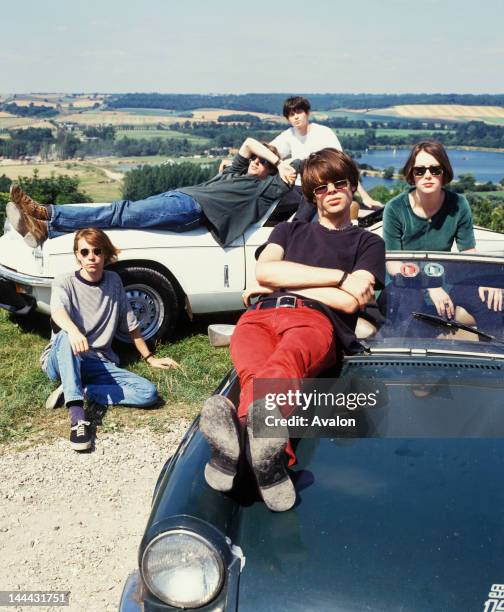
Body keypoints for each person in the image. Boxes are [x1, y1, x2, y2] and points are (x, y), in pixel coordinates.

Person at [199, 148, 385, 512]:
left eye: (340, 183)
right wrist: (337, 277)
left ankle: (237, 446)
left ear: (352, 186)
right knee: (255, 373)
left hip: (314, 320)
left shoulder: (368, 243)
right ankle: (267, 463)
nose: (331, 191)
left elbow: (350, 302)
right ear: (310, 195)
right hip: (258, 318)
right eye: (320, 187)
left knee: (282, 366)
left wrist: (285, 284)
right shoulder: (288, 229)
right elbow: (266, 273)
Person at [6, 137, 298, 249]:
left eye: (263, 163)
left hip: (192, 210)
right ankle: (47, 231)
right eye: (257, 160)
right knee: (119, 223)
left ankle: (46, 212)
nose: (256, 163)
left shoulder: (263, 190)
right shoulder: (237, 172)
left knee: (118, 212)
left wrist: (279, 164)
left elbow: (292, 173)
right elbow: (248, 143)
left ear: (270, 172)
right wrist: (272, 157)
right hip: (179, 197)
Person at [40, 228, 179, 451]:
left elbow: (131, 324)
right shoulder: (64, 282)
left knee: (148, 393)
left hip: (98, 361)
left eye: (97, 251)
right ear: (77, 255)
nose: (91, 257)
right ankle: (78, 418)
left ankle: (83, 390)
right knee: (66, 336)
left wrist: (150, 357)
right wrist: (75, 331)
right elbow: (57, 311)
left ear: (105, 254)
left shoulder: (113, 281)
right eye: (84, 252)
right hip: (62, 357)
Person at [383, 140, 502, 333]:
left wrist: (489, 281)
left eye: (435, 170)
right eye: (420, 171)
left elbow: (469, 254)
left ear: (444, 172)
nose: (427, 175)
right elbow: (393, 265)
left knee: (491, 301)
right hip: (405, 284)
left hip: (446, 280)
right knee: (408, 304)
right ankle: (403, 360)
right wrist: (430, 285)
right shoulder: (396, 208)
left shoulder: (458, 204)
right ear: (412, 175)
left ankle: (494, 357)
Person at [270, 96, 383, 221]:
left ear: (307, 113)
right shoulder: (289, 135)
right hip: (296, 187)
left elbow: (343, 166)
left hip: (319, 187)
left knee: (305, 212)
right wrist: (280, 165)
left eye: (299, 112)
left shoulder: (323, 133)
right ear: (288, 119)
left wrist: (364, 196)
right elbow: (268, 152)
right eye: (291, 114)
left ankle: (297, 229)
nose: (296, 117)